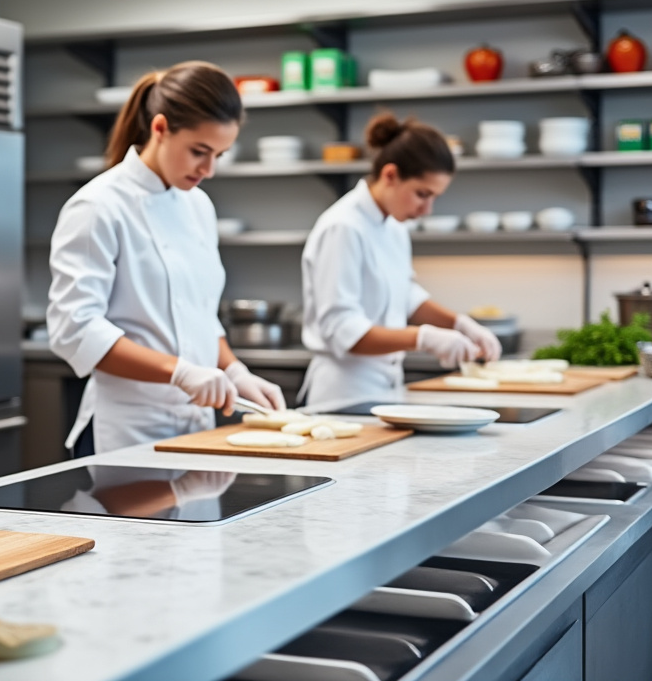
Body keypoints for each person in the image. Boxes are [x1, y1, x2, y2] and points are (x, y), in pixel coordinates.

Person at [46, 61, 286, 458]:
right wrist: (180, 372)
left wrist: (233, 369)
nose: (208, 170)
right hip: (123, 431)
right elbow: (75, 329)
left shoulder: (199, 207)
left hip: (195, 431)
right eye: (199, 151)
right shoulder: (98, 206)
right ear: (160, 129)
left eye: (219, 155)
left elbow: (200, 316)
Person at [299, 112, 502, 407]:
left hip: (386, 386)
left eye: (434, 197)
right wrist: (423, 338)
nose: (427, 209)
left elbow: (404, 295)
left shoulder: (394, 226)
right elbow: (343, 330)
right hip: (343, 393)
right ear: (390, 175)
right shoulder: (343, 227)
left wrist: (459, 323)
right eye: (422, 194)